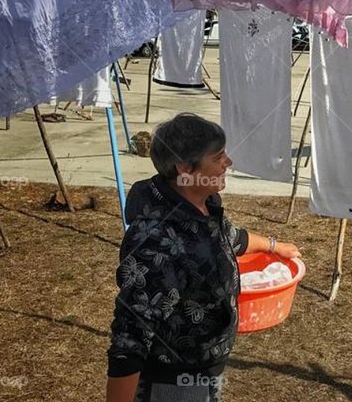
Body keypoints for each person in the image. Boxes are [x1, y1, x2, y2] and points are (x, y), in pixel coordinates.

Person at [105, 113, 300, 402]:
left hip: (203, 374)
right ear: (185, 169)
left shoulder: (202, 206)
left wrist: (274, 246)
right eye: (218, 157)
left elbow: (232, 238)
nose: (228, 163)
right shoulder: (156, 242)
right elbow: (131, 335)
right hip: (172, 386)